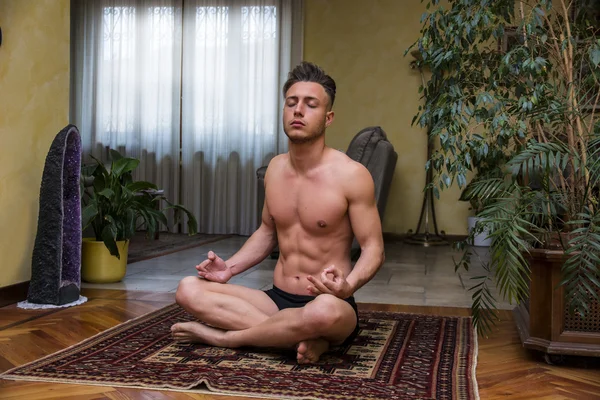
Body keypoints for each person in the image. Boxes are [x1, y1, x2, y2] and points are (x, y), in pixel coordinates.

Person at [171, 61, 385, 364]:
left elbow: (374, 248)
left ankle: (226, 337)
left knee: (323, 312)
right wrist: (228, 269)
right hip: (276, 299)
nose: (298, 111)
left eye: (311, 105)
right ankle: (297, 339)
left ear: (328, 117)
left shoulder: (352, 175)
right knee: (188, 289)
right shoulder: (275, 168)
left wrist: (348, 286)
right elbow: (267, 232)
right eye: (291, 103)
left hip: (328, 302)